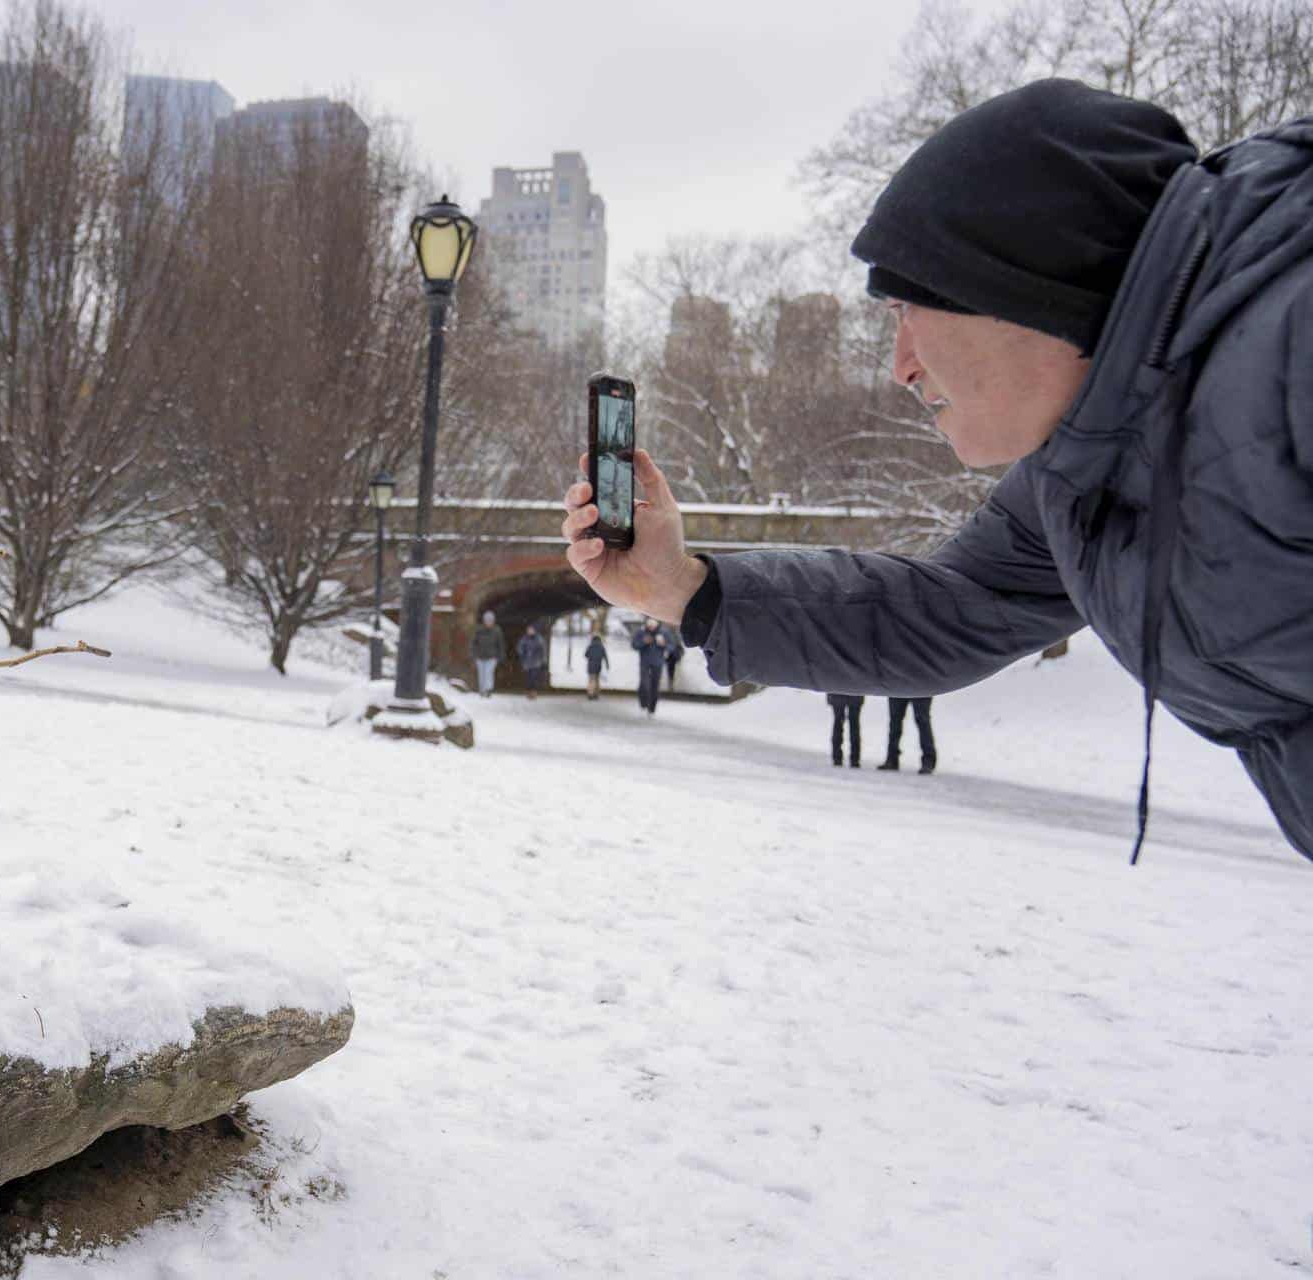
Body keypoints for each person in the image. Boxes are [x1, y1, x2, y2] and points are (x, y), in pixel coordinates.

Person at [562, 79, 1313, 862]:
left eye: (909, 313)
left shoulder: (1285, 349)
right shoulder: (1081, 469)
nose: (900, 367)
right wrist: (683, 589)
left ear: (1020, 281)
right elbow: (950, 608)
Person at [880, 697, 938, 775]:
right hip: (898, 688)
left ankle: (928, 761)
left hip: (920, 689)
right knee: (895, 722)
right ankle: (892, 758)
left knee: (922, 721)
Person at [632, 619, 671, 716]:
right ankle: (644, 703)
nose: (651, 628)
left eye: (653, 626)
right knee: (645, 684)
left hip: (658, 663)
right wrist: (644, 642)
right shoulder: (641, 632)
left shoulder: (664, 632)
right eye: (649, 626)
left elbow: (672, 646)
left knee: (655, 686)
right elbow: (634, 645)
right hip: (644, 662)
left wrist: (663, 644)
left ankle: (652, 708)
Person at [470, 610, 505, 697]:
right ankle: (482, 690)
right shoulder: (479, 630)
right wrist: (474, 654)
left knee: (489, 673)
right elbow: (474, 643)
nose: (489, 622)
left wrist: (501, 655)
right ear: (484, 621)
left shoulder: (497, 631)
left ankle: (488, 689)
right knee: (481, 674)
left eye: (490, 620)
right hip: (480, 656)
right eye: (487, 620)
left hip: (492, 656)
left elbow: (500, 644)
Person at [827, 693, 863, 768]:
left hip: (837, 690)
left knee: (838, 722)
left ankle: (837, 757)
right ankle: (854, 759)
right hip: (855, 691)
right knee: (853, 723)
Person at [516, 625, 547, 699]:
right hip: (527, 662)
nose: (530, 631)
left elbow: (543, 650)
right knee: (528, 678)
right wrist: (521, 653)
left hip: (536, 662)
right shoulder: (524, 639)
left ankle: (533, 692)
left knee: (534, 677)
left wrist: (543, 660)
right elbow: (519, 647)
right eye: (529, 630)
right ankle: (528, 691)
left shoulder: (539, 639)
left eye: (531, 630)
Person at [585, 632, 608, 700]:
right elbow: (605, 656)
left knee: (591, 680)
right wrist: (607, 665)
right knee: (597, 680)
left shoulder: (590, 646)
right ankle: (596, 694)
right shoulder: (601, 646)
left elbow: (586, 655)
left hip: (590, 665)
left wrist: (591, 657)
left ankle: (590, 693)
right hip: (598, 666)